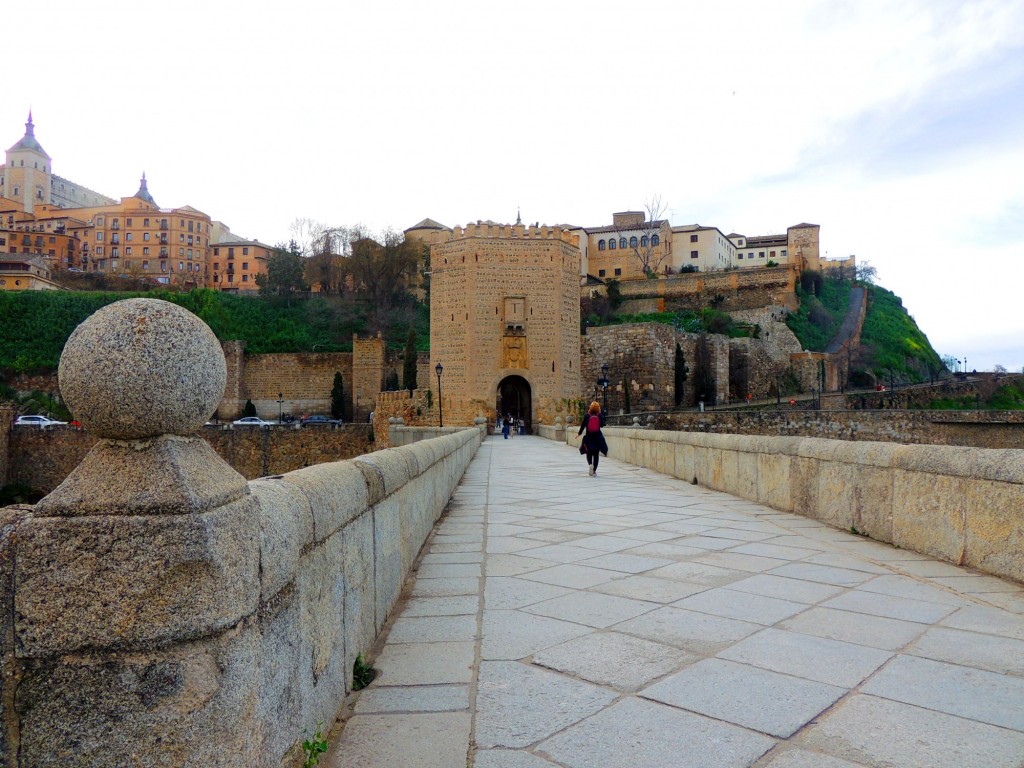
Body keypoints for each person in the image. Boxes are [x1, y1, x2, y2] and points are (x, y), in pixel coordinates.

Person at [577, 401, 608, 476]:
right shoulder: (599, 415)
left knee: (589, 454)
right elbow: (602, 425)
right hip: (597, 438)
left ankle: (590, 464)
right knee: (596, 455)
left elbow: (583, 425)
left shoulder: (587, 416)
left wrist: (579, 433)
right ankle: (594, 471)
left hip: (589, 437)